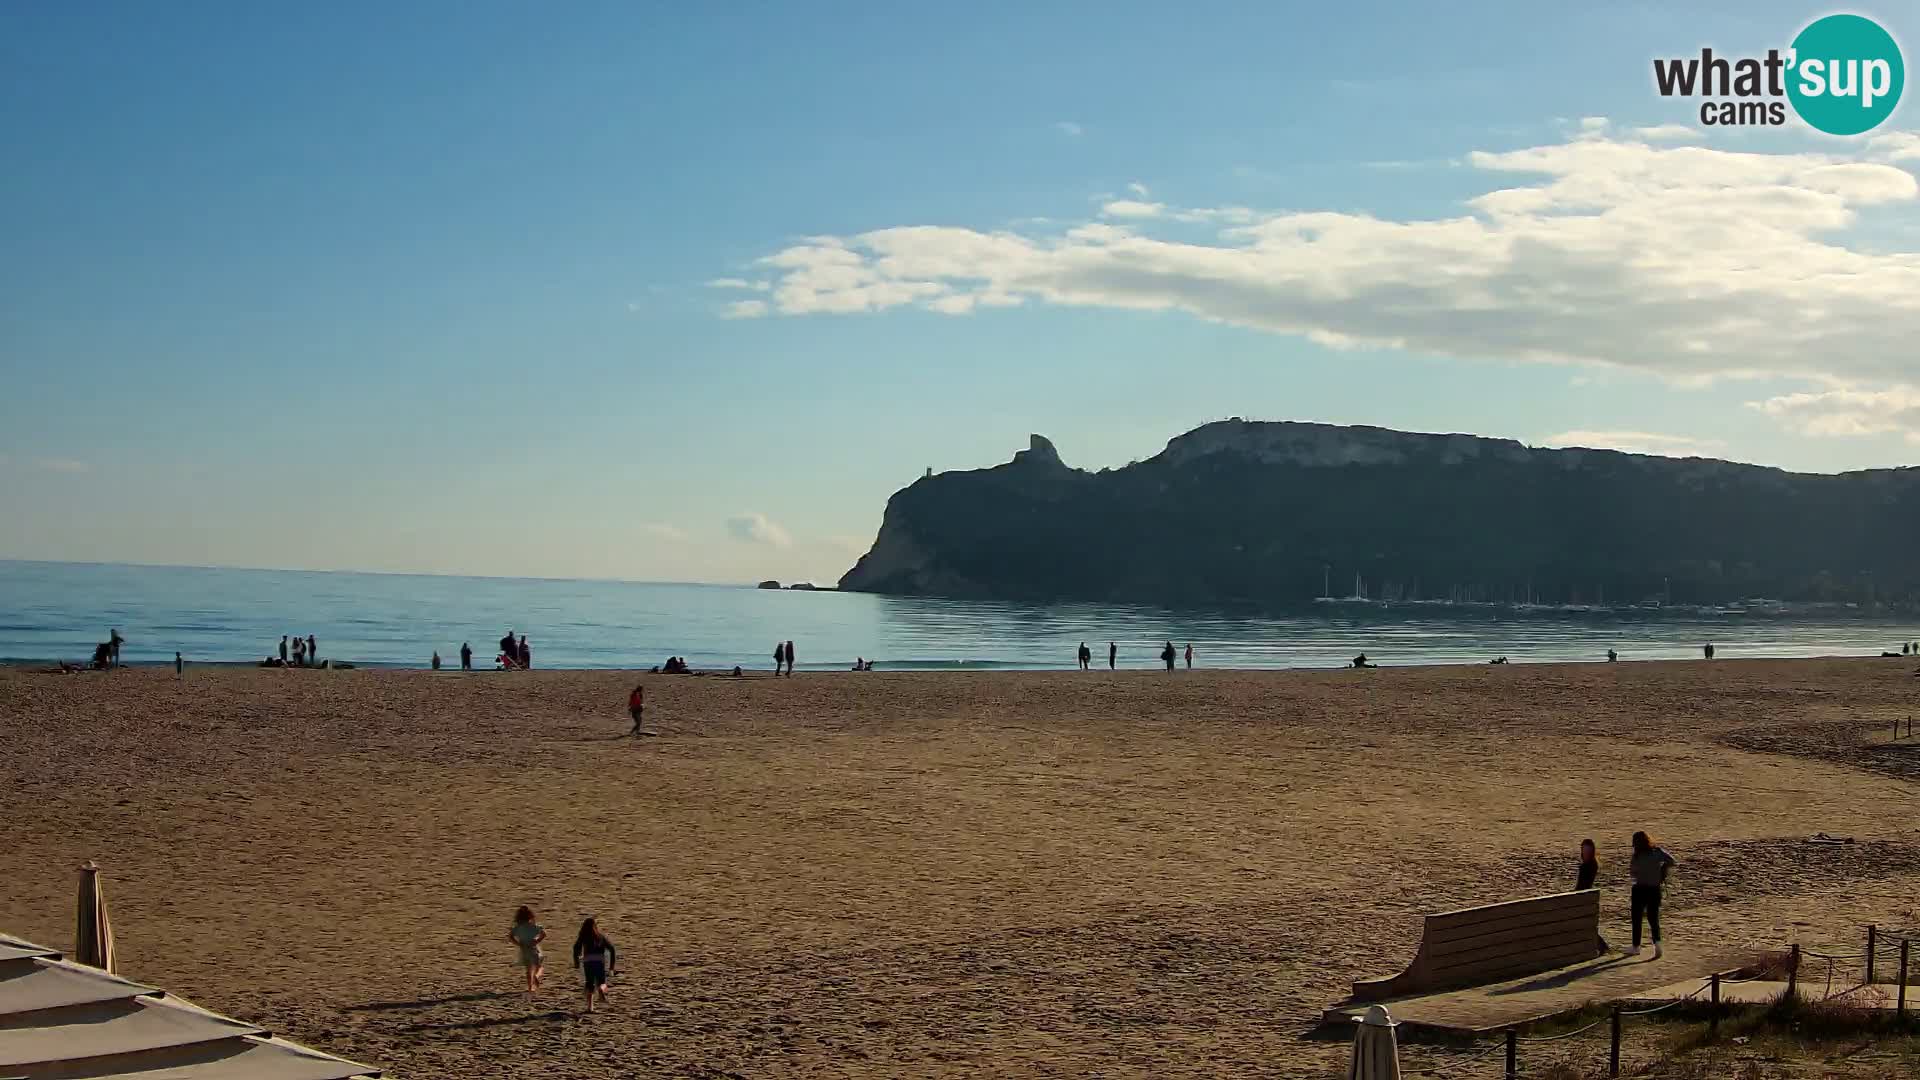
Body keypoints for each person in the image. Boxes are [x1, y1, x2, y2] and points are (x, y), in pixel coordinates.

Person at [1627, 831, 1675, 958]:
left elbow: (1633, 872)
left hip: (1640, 889)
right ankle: (1657, 944)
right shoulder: (1657, 852)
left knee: (1637, 918)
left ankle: (1636, 946)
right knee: (1653, 918)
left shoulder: (1637, 856)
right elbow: (1671, 860)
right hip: (1654, 889)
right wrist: (1661, 870)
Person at [571, 918, 616, 1013]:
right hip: (599, 961)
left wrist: (576, 962)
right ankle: (601, 990)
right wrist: (612, 966)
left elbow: (576, 947)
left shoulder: (583, 936)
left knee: (589, 983)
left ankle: (590, 1007)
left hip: (588, 961)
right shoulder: (600, 936)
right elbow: (612, 949)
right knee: (602, 982)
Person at [508, 906, 546, 997]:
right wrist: (536, 941)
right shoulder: (534, 926)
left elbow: (510, 936)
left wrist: (518, 944)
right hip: (533, 949)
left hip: (524, 950)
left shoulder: (517, 928)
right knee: (539, 967)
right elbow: (543, 934)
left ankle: (530, 988)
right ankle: (536, 976)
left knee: (528, 970)